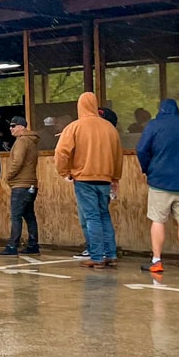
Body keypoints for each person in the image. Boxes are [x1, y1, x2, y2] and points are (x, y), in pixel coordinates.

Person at [135, 99, 179, 275]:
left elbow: (142, 149)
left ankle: (157, 260)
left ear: (160, 110)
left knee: (158, 220)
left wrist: (147, 168)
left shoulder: (154, 125)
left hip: (160, 182)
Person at [54, 92, 122, 269]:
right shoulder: (110, 128)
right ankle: (111, 254)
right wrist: (115, 177)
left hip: (84, 179)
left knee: (91, 217)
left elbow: (62, 152)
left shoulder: (74, 127)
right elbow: (118, 156)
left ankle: (97, 256)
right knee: (104, 215)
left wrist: (65, 172)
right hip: (105, 179)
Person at [0, 115, 39, 255]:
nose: (11, 129)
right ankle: (33, 245)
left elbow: (17, 161)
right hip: (31, 183)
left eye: (13, 126)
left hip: (21, 184)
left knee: (16, 216)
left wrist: (8, 175)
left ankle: (12, 246)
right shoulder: (31, 141)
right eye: (10, 126)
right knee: (29, 215)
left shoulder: (22, 141)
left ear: (22, 127)